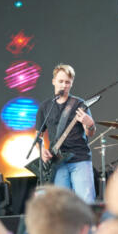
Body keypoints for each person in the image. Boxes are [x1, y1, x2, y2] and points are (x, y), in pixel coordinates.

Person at [35, 64, 96, 202]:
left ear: (72, 83)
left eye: (67, 82)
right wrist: (41, 150)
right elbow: (38, 136)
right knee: (62, 205)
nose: (64, 85)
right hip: (58, 161)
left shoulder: (79, 104)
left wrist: (90, 124)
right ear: (53, 81)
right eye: (61, 81)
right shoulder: (45, 106)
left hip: (80, 158)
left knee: (86, 202)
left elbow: (90, 133)